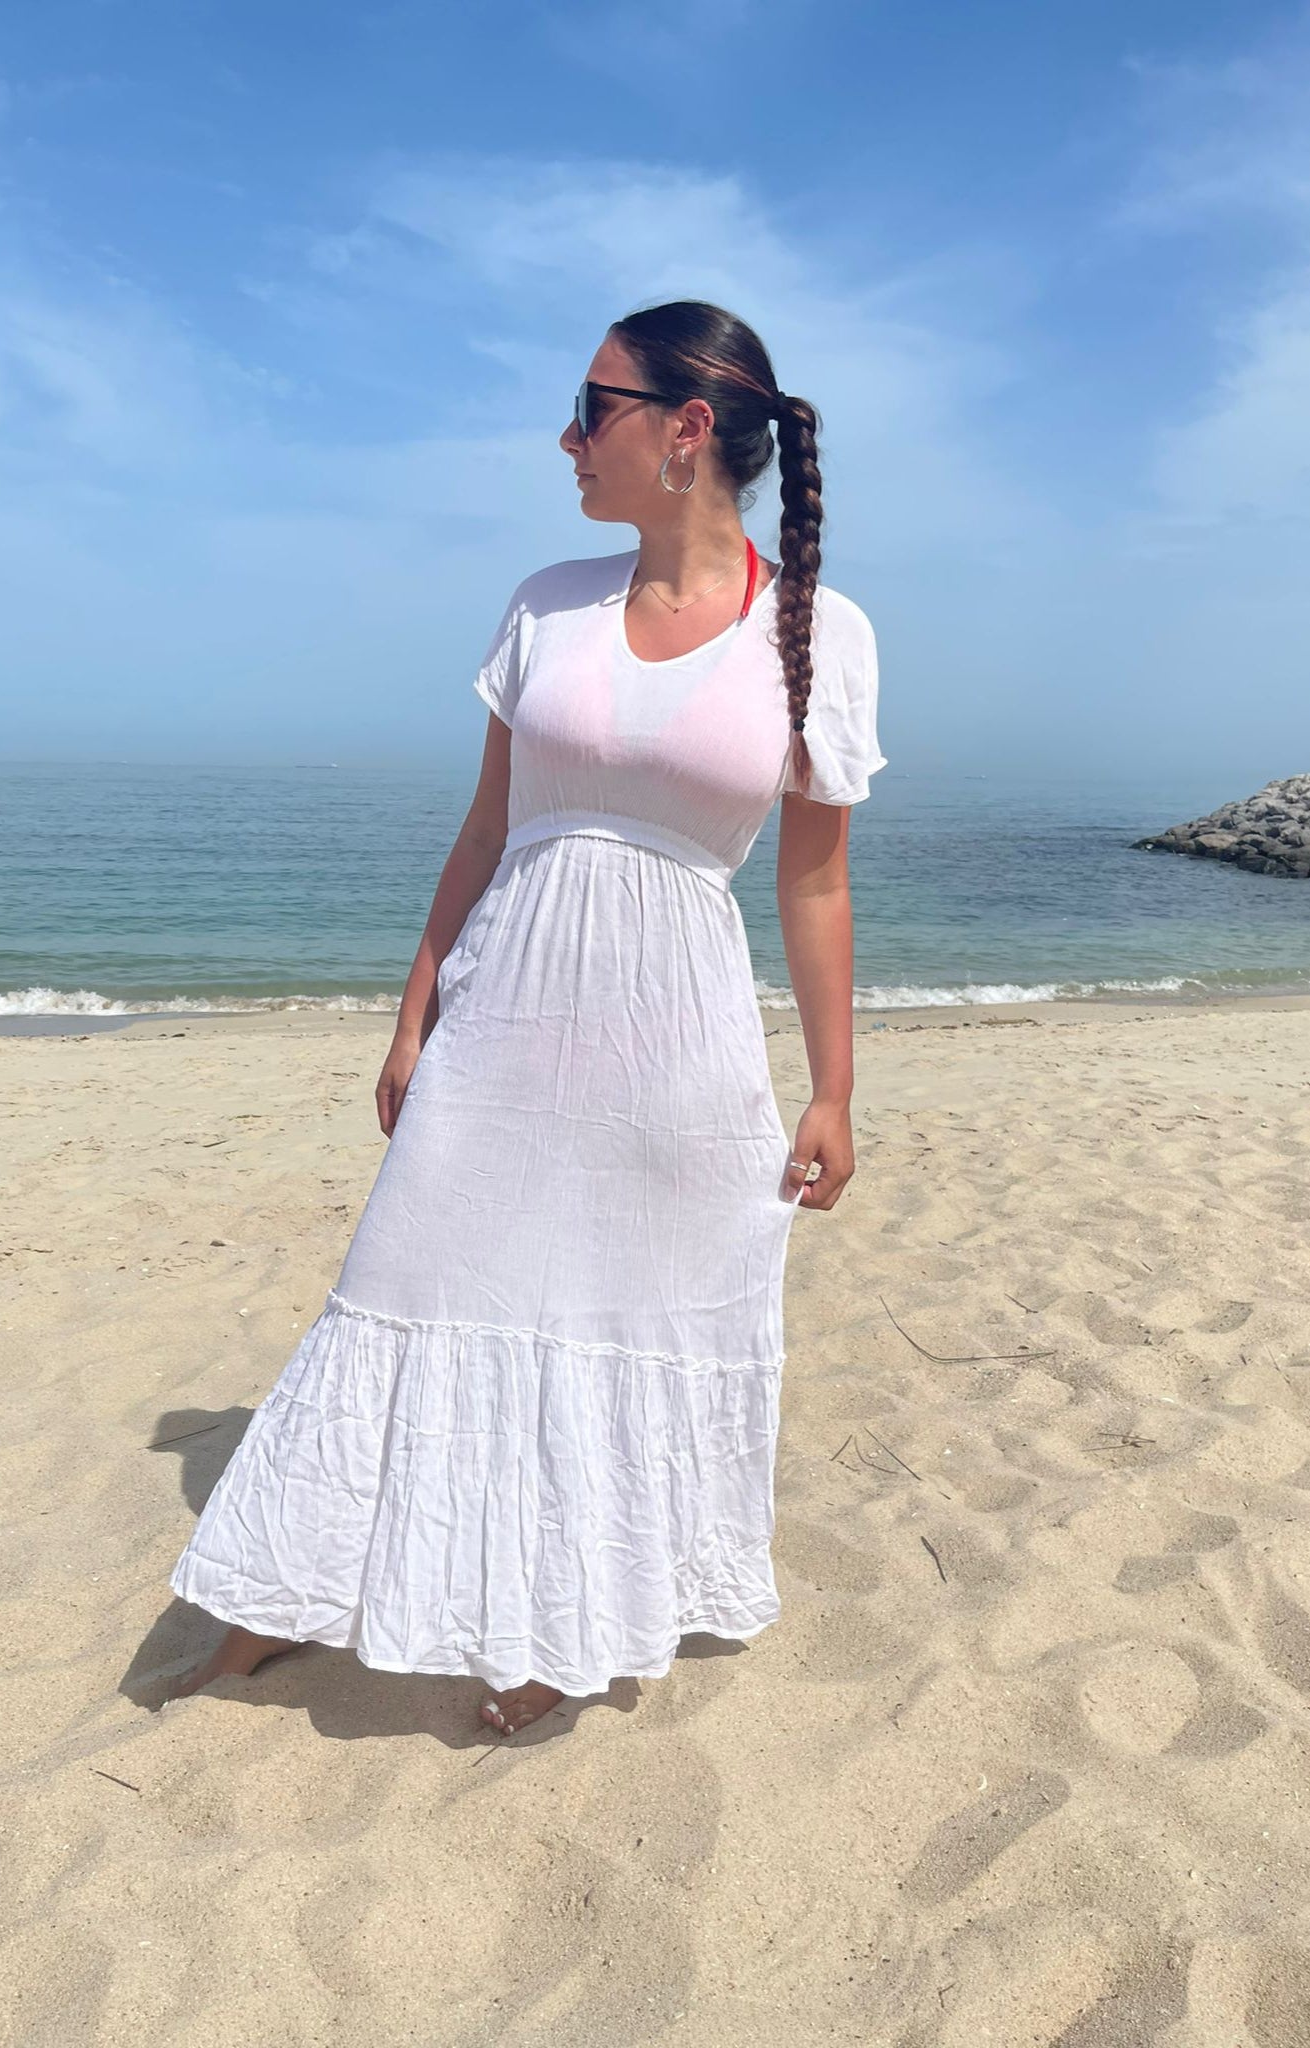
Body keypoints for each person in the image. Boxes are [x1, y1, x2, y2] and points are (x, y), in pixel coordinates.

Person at [166, 298, 887, 1739]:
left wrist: (833, 1091)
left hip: (676, 1038)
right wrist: (415, 998)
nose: (566, 438)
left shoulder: (820, 635)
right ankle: (282, 1587)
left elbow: (816, 886)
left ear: (688, 431)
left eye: (593, 407)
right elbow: (489, 824)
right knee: (412, 1277)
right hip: (509, 1013)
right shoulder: (545, 601)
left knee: (619, 1314)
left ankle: (566, 1616)